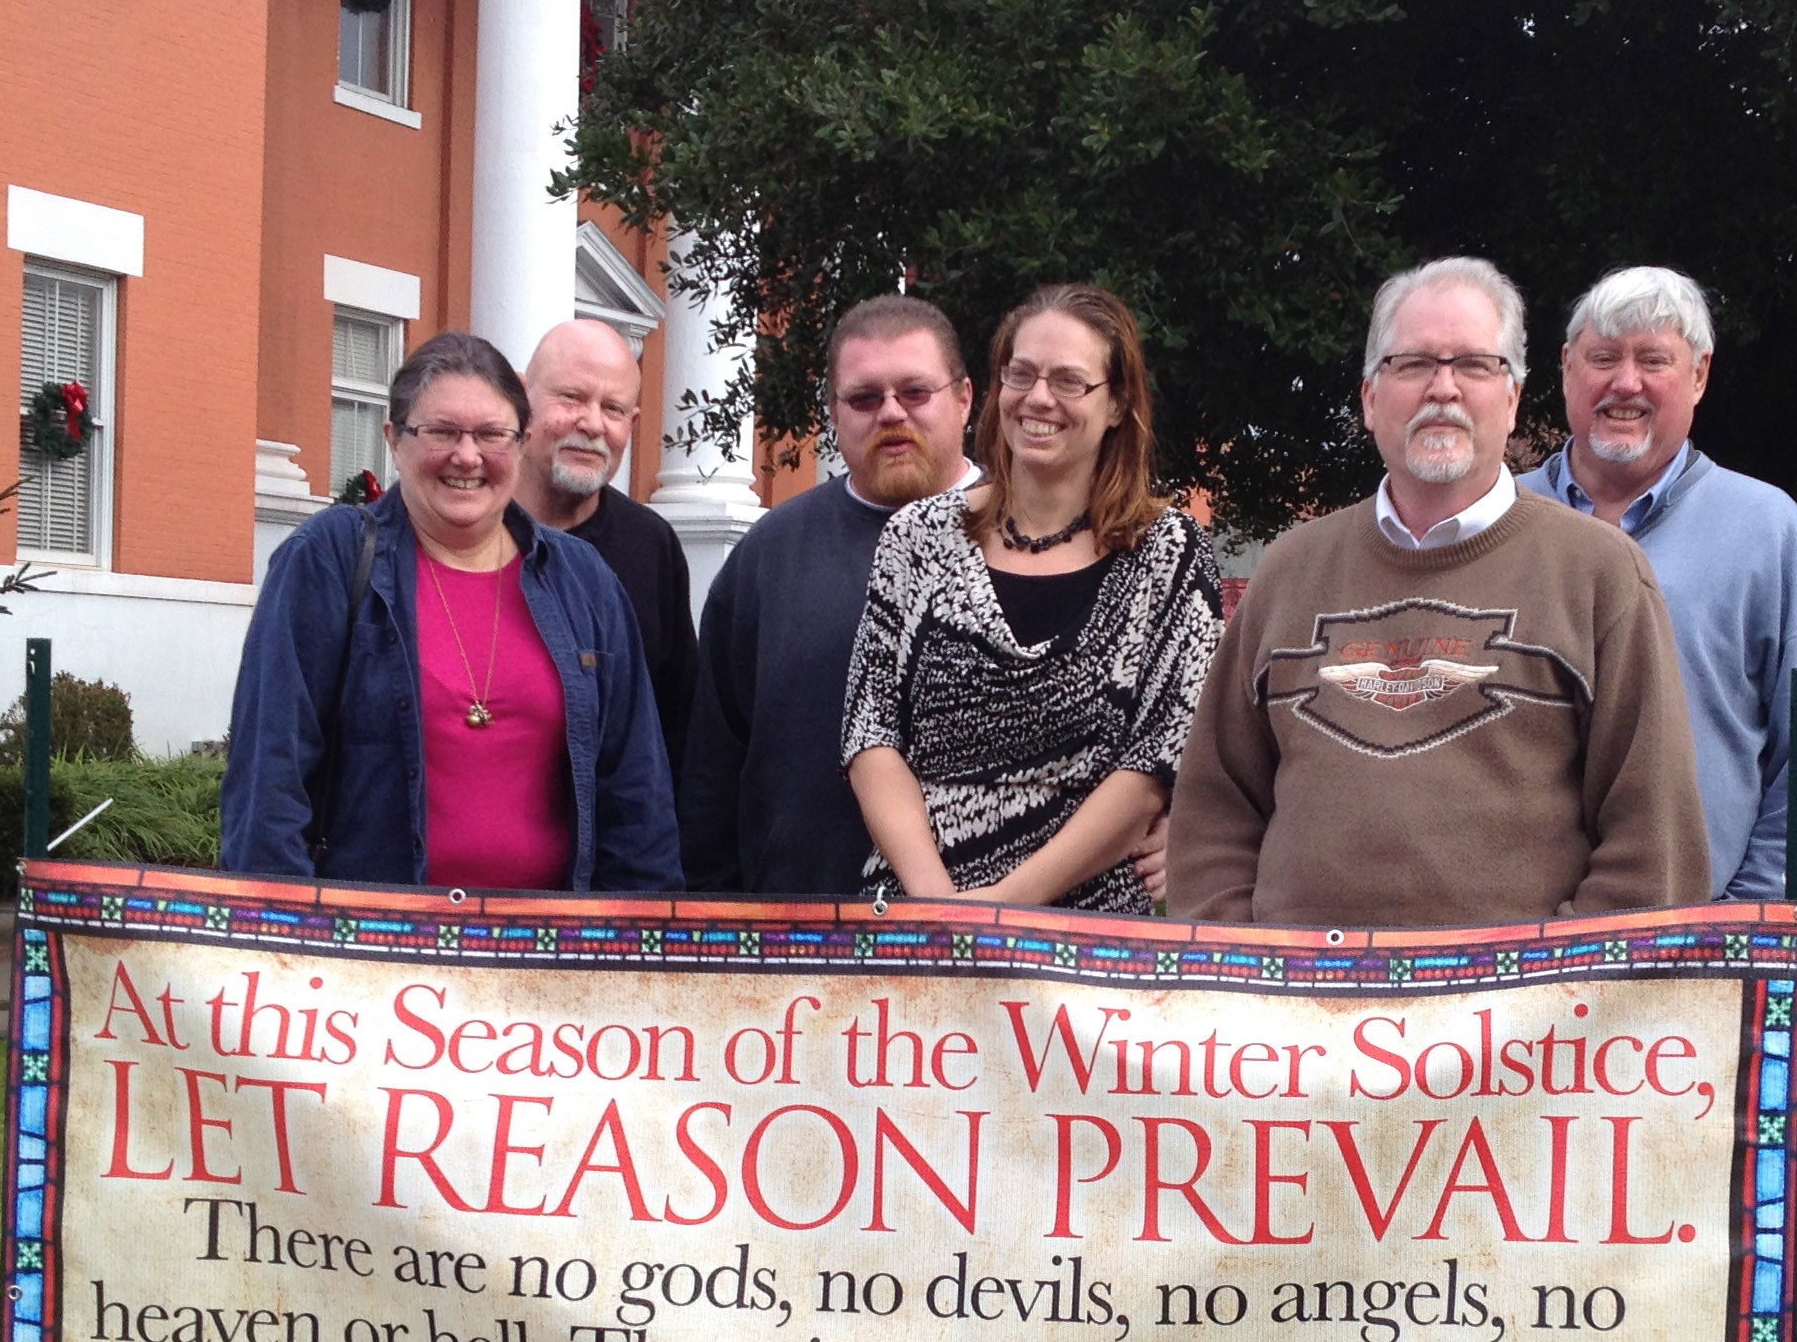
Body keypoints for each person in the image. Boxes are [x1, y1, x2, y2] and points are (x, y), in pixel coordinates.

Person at [1167, 257, 1709, 927]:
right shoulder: (1290, 570)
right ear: (1370, 398)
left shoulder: (1600, 575)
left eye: (1475, 365)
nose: (1443, 389)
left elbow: (1653, 849)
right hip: (1295, 1019)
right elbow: (1214, 811)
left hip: (1511, 1025)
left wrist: (1548, 996)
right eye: (1415, 363)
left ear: (1512, 400)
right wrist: (1239, 966)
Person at [220, 331, 680, 890]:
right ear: (394, 438)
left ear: (521, 440)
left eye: (491, 434)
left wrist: (636, 953)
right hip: (370, 951)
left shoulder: (584, 582)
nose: (467, 456)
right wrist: (283, 943)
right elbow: (269, 780)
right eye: (441, 431)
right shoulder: (329, 561)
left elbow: (636, 799)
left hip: (549, 956)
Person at [841, 284, 1221, 911]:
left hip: (1083, 937)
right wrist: (938, 902)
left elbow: (1154, 764)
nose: (1038, 398)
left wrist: (1005, 907)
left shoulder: (1168, 553)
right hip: (917, 920)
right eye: (1021, 374)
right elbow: (871, 730)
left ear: (1119, 403)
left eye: (1070, 381)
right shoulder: (916, 537)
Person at [1525, 265, 1797, 910]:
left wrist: (1746, 931)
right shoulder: (1494, 525)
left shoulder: (1766, 531)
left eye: (1653, 359)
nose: (1625, 382)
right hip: (1500, 958)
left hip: (1690, 956)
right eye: (1603, 358)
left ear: (1700, 375)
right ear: (1567, 367)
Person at [680, 295, 981, 892]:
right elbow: (713, 773)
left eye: (915, 392)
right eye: (865, 398)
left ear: (964, 398)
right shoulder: (769, 558)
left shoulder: (1043, 545)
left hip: (1002, 945)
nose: (891, 413)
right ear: (835, 414)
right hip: (801, 942)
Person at [514, 318, 700, 781]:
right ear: (520, 399)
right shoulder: (465, 533)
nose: (592, 423)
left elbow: (680, 730)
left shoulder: (652, 547)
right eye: (572, 398)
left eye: (613, 409)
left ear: (632, 424)